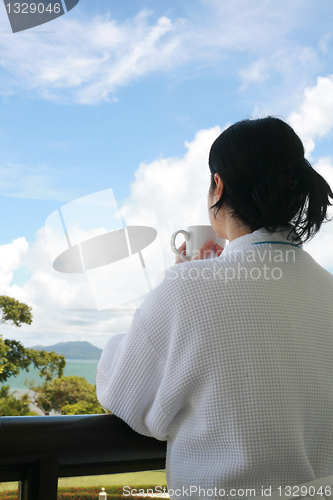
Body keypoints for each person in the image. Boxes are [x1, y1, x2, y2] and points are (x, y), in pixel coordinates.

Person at [96, 117, 333, 500]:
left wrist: (182, 284)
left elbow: (123, 393)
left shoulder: (185, 289)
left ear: (217, 185)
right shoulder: (328, 288)